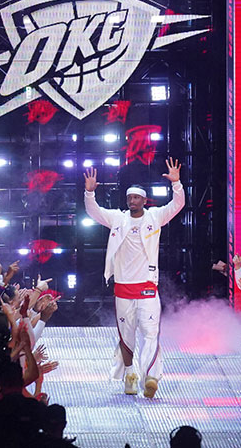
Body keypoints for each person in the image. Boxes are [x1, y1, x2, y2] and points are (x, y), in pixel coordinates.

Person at [84, 158, 185, 399]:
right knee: (126, 336)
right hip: (122, 288)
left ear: (144, 200)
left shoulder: (155, 217)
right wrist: (89, 193)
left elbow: (177, 205)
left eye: (137, 198)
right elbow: (94, 211)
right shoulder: (118, 219)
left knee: (150, 333)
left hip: (148, 286)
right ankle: (130, 375)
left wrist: (177, 183)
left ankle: (150, 377)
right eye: (130, 198)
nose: (132, 201)